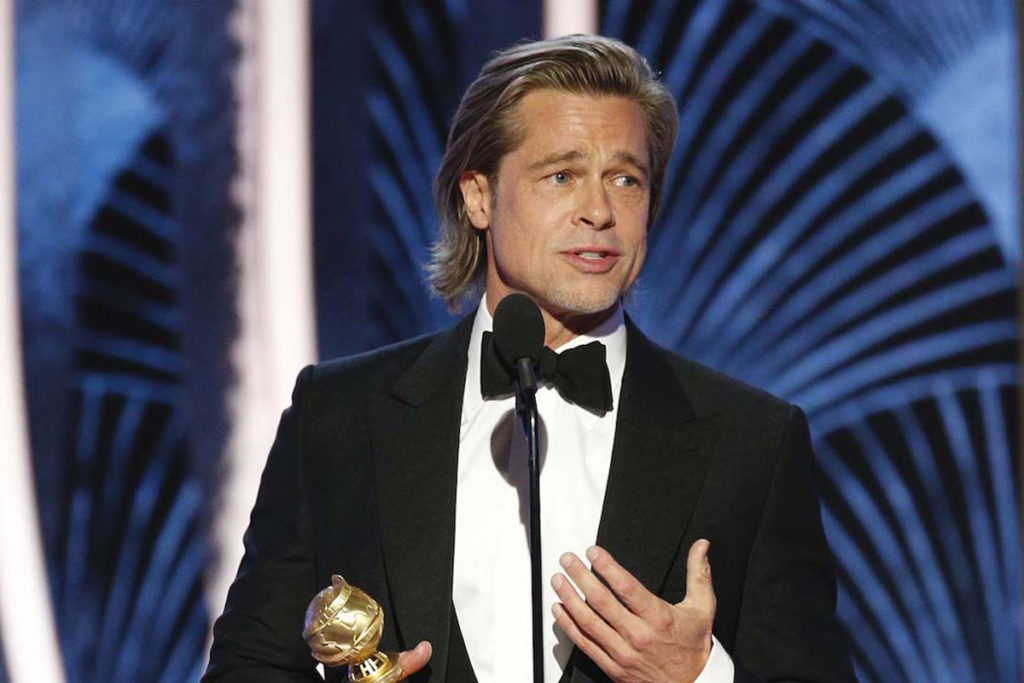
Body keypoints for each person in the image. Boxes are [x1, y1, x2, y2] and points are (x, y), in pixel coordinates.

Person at [204, 35, 857, 682]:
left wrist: (699, 676)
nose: (599, 211)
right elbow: (247, 669)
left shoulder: (752, 444)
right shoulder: (338, 417)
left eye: (626, 179)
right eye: (562, 175)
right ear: (478, 196)